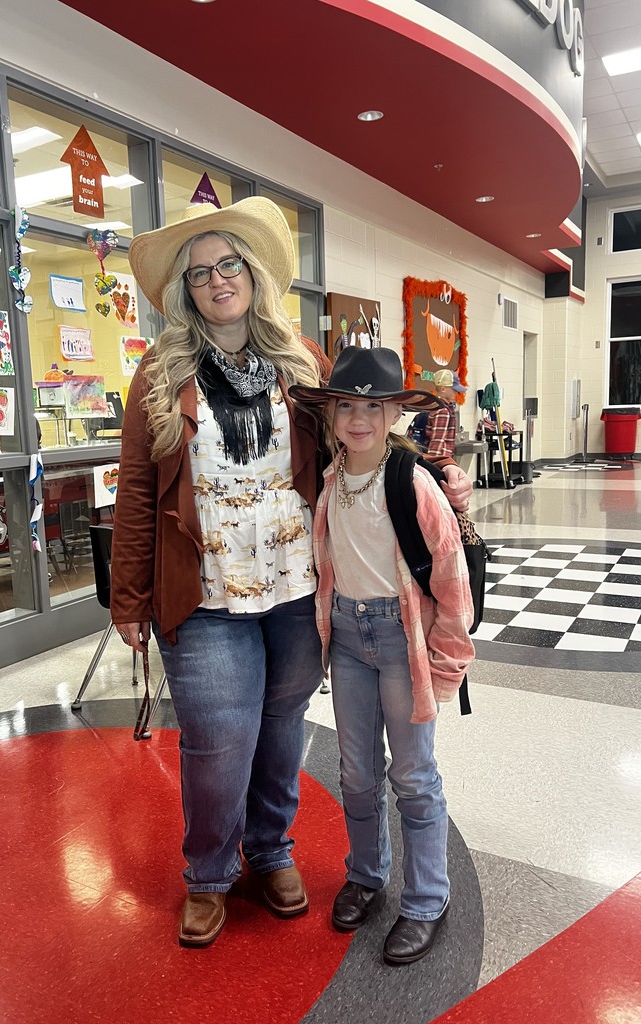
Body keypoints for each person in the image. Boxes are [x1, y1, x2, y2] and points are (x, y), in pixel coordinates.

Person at [110, 196, 331, 949]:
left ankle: (270, 852)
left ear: (252, 273)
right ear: (186, 291)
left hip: (296, 591)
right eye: (199, 272)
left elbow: (346, 458)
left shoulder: (301, 364)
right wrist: (129, 600)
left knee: (280, 732)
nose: (216, 280)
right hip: (201, 597)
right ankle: (208, 874)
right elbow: (137, 493)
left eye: (228, 263)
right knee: (216, 745)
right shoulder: (160, 374)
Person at [290, 347, 475, 967]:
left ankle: (426, 898)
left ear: (396, 412)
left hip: (402, 644)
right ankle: (367, 874)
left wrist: (446, 664)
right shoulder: (334, 482)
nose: (359, 417)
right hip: (346, 637)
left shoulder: (412, 482)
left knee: (414, 776)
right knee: (357, 773)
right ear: (332, 413)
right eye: (346, 404)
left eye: (374, 405)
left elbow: (450, 582)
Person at [406, 367, 467, 461]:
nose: (456, 392)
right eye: (454, 389)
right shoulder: (442, 411)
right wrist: (434, 463)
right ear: (443, 389)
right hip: (440, 458)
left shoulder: (433, 405)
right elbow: (437, 440)